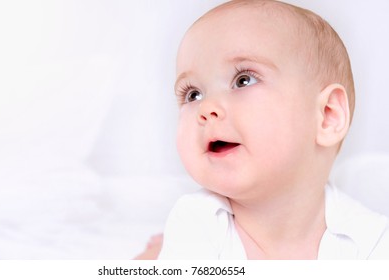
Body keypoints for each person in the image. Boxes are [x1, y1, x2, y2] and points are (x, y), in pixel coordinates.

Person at [137, 0, 389, 259]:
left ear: (327, 116)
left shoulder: (369, 240)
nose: (206, 107)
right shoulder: (197, 223)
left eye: (243, 79)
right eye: (192, 94)